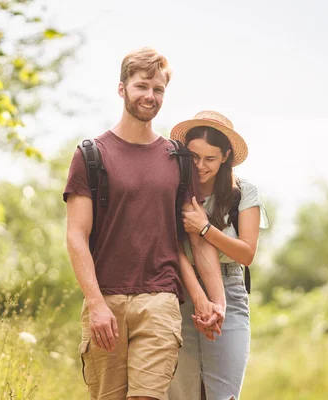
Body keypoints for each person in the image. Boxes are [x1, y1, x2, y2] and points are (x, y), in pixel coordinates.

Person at [63, 48, 225, 400]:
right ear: (122, 88)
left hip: (160, 299)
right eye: (142, 86)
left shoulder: (178, 159)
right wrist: (95, 303)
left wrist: (215, 300)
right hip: (107, 298)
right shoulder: (91, 155)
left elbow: (196, 238)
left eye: (159, 89)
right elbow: (76, 235)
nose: (150, 96)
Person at [168, 111, 270, 400]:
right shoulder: (174, 190)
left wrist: (204, 228)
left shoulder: (243, 194)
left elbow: (247, 253)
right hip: (181, 294)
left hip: (230, 291)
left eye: (210, 159)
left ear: (226, 156)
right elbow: (173, 250)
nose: (200, 166)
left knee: (223, 394)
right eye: (194, 157)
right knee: (181, 394)